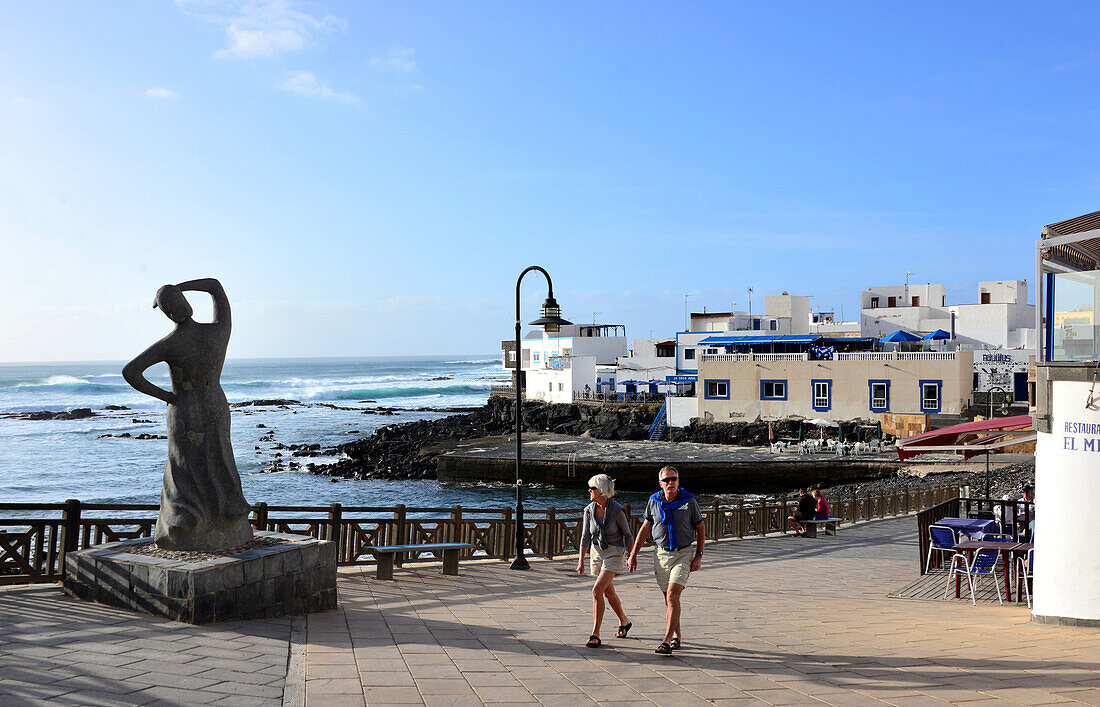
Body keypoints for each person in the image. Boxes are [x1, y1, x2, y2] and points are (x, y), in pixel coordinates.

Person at [122, 279, 253, 550]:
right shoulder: (218, 332)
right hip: (215, 406)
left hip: (184, 410)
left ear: (169, 313)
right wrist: (181, 287)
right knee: (219, 457)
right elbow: (216, 286)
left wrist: (169, 397)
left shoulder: (170, 343)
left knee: (183, 468)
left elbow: (131, 372)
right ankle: (229, 512)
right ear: (188, 305)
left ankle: (184, 521)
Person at [626, 466, 705, 655]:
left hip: (683, 553)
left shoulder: (689, 501)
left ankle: (666, 641)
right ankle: (677, 635)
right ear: (660, 483)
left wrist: (699, 555)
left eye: (674, 479)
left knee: (672, 595)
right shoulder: (654, 501)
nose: (671, 483)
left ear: (678, 481)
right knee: (669, 599)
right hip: (661, 554)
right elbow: (645, 528)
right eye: (667, 480)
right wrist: (633, 554)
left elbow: (700, 527)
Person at [576, 474, 633, 648]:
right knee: (608, 593)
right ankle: (624, 621)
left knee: (597, 591)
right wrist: (581, 561)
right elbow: (585, 536)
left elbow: (628, 535)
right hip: (597, 553)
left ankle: (595, 633)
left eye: (592, 488)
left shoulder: (617, 511)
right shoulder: (589, 510)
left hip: (614, 552)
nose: (589, 491)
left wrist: (631, 555)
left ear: (602, 491)